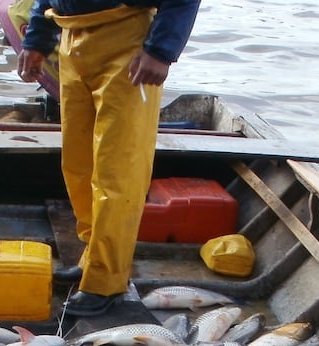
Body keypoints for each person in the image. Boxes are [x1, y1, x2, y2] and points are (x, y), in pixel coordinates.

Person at [17, 0, 201, 316]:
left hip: (126, 41)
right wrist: (37, 39)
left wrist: (160, 50)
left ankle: (107, 282)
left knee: (118, 169)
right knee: (78, 163)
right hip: (71, 39)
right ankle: (94, 257)